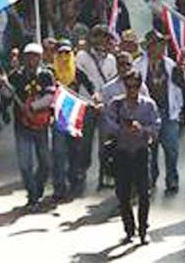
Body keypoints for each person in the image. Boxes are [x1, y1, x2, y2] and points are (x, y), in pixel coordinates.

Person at [102, 69, 160, 244]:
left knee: (144, 193)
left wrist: (142, 129)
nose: (132, 89)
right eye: (129, 86)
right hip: (122, 152)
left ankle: (143, 229)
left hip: (141, 151)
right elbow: (108, 124)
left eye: (136, 85)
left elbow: (156, 126)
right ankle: (129, 229)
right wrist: (122, 129)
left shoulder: (149, 105)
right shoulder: (116, 104)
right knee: (123, 194)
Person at [135, 30, 184, 193]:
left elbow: (179, 88)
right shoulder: (138, 66)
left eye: (163, 44)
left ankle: (172, 178)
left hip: (168, 111)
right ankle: (151, 177)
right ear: (149, 47)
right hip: (147, 114)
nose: (162, 48)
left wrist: (180, 108)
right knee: (150, 149)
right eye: (158, 44)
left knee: (172, 148)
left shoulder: (171, 65)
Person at [9, 42, 55, 208]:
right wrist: (5, 88)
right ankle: (32, 195)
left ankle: (38, 186)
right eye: (28, 56)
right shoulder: (16, 76)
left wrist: (33, 107)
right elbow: (6, 97)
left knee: (46, 163)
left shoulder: (46, 75)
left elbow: (50, 97)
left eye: (35, 56)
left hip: (41, 125)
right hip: (22, 126)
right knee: (25, 164)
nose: (31, 60)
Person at [51, 39, 95, 200]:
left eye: (67, 53)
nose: (63, 57)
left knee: (75, 151)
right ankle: (59, 187)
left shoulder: (77, 72)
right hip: (56, 117)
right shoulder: (50, 72)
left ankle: (75, 179)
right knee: (58, 152)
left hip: (75, 116)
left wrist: (95, 97)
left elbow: (90, 87)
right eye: (60, 53)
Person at [76, 25, 117, 189]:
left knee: (105, 143)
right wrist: (93, 93)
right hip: (88, 104)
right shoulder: (82, 56)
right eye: (98, 37)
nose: (101, 41)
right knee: (85, 141)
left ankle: (105, 174)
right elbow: (81, 76)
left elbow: (113, 80)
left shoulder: (111, 60)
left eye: (105, 37)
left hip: (105, 107)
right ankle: (82, 169)